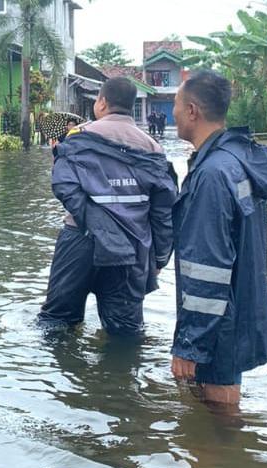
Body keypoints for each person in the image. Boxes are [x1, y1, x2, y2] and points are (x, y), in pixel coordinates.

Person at [170, 70, 267, 405]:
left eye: (176, 105)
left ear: (193, 111)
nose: (174, 112)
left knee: (220, 428)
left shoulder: (212, 174)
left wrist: (190, 345)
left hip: (217, 327)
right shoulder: (235, 160)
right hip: (237, 312)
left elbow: (208, 265)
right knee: (218, 425)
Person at [38, 77, 178, 336]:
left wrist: (94, 221)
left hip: (80, 240)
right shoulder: (153, 147)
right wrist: (158, 258)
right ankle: (120, 374)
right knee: (125, 331)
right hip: (132, 245)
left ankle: (60, 375)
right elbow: (163, 211)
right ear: (131, 105)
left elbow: (64, 185)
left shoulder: (79, 139)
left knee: (56, 325)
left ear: (101, 102)